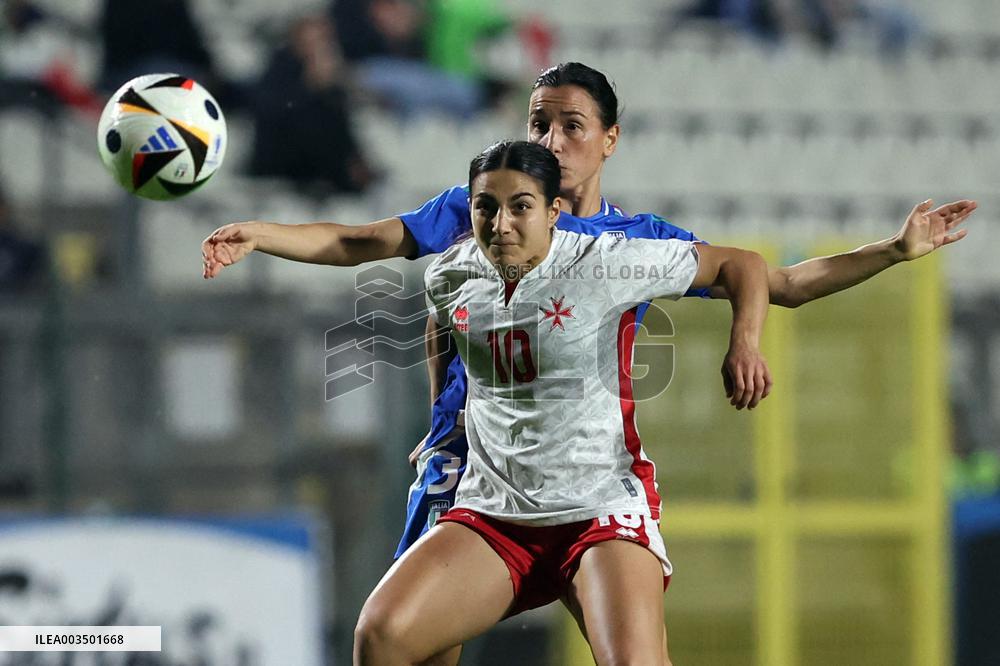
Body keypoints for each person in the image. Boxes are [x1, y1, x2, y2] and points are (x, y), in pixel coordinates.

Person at [202, 61, 975, 664]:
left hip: (590, 488)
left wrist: (893, 252)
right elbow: (399, 271)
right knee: (398, 644)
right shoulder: (480, 214)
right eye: (539, 123)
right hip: (475, 483)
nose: (551, 141)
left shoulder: (630, 247)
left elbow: (781, 282)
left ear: (610, 140)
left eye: (572, 126)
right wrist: (445, 414)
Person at [355, 139, 771, 665]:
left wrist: (746, 342)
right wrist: (444, 415)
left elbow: (744, 264)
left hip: (597, 510)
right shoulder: (453, 272)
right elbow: (440, 321)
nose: (501, 223)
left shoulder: (610, 261)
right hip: (497, 513)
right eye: (485, 207)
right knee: (382, 635)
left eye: (520, 207)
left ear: (553, 211)